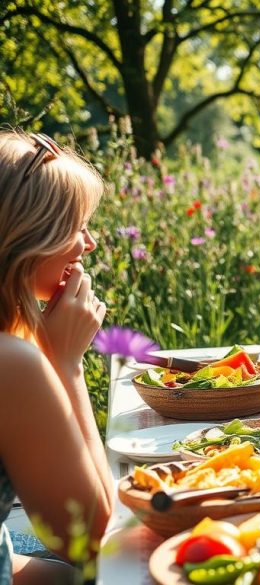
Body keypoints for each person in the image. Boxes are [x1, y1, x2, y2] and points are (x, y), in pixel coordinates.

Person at [0, 131, 114, 583]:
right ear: (27, 238)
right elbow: (94, 537)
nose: (88, 243)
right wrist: (66, 364)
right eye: (76, 225)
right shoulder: (12, 362)